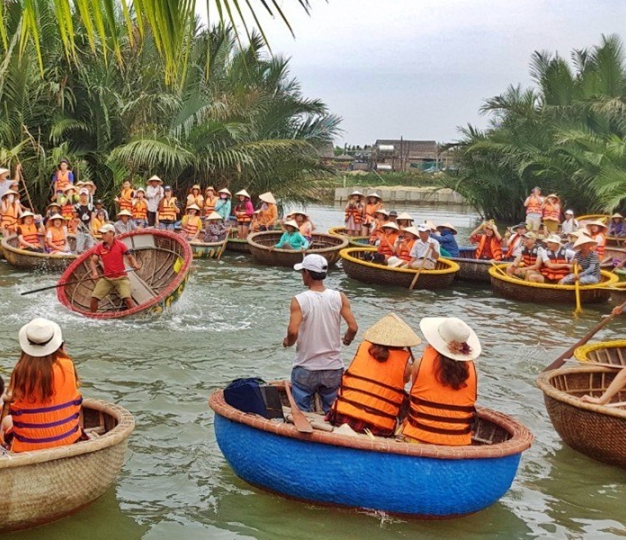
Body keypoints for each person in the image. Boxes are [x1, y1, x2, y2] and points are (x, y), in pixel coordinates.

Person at [283, 254, 358, 412]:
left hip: (306, 367)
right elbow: (353, 327)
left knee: (302, 413)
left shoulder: (299, 300)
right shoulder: (339, 297)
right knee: (331, 412)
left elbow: (292, 331)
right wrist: (347, 340)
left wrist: (288, 342)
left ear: (308, 274)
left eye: (303, 272)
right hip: (333, 368)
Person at [328, 313, 420, 437]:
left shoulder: (363, 348)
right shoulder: (406, 366)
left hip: (340, 417)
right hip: (379, 428)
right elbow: (404, 381)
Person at [4, 318, 83, 453]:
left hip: (29, 446)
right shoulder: (67, 365)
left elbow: (13, 398)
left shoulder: (21, 371)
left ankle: (6, 449)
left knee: (6, 419)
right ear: (59, 345)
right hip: (67, 439)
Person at [400, 317, 480, 446]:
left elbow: (414, 397)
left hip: (418, 439)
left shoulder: (418, 364)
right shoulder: (474, 372)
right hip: (458, 444)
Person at [90, 224, 141, 312]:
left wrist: (135, 264)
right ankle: (92, 318)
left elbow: (130, 257)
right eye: (102, 234)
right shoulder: (99, 247)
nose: (102, 236)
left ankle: (135, 316)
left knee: (127, 299)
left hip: (121, 278)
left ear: (112, 233)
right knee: (94, 299)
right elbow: (93, 261)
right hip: (107, 279)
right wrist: (95, 273)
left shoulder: (121, 245)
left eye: (104, 234)